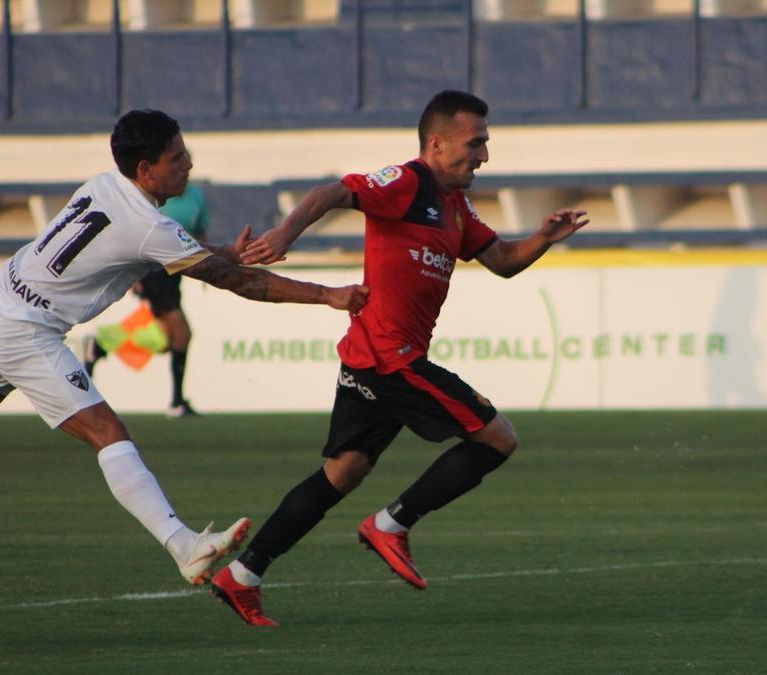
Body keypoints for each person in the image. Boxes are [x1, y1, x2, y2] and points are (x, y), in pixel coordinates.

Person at [0, 110, 368, 588]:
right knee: (108, 432)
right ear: (146, 170)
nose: (189, 164)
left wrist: (225, 252)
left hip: (1, 300)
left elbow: (168, 247)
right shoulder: (147, 225)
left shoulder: (104, 185)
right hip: (25, 328)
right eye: (177, 157)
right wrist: (328, 295)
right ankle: (184, 546)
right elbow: (240, 284)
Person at [207, 90, 589, 626]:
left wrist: (545, 237)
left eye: (485, 143)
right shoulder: (408, 183)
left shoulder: (455, 204)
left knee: (343, 472)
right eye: (474, 142)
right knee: (497, 437)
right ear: (436, 143)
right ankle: (391, 524)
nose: (483, 155)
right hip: (390, 357)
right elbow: (331, 192)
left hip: (373, 357)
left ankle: (242, 575)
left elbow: (502, 260)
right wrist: (284, 232)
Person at [85, 182, 207, 417]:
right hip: (154, 270)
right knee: (182, 335)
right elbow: (138, 236)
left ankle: (101, 344)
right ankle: (177, 403)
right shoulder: (156, 196)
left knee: (165, 342)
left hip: (177, 269)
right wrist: (134, 274)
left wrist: (206, 266)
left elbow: (199, 233)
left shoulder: (196, 197)